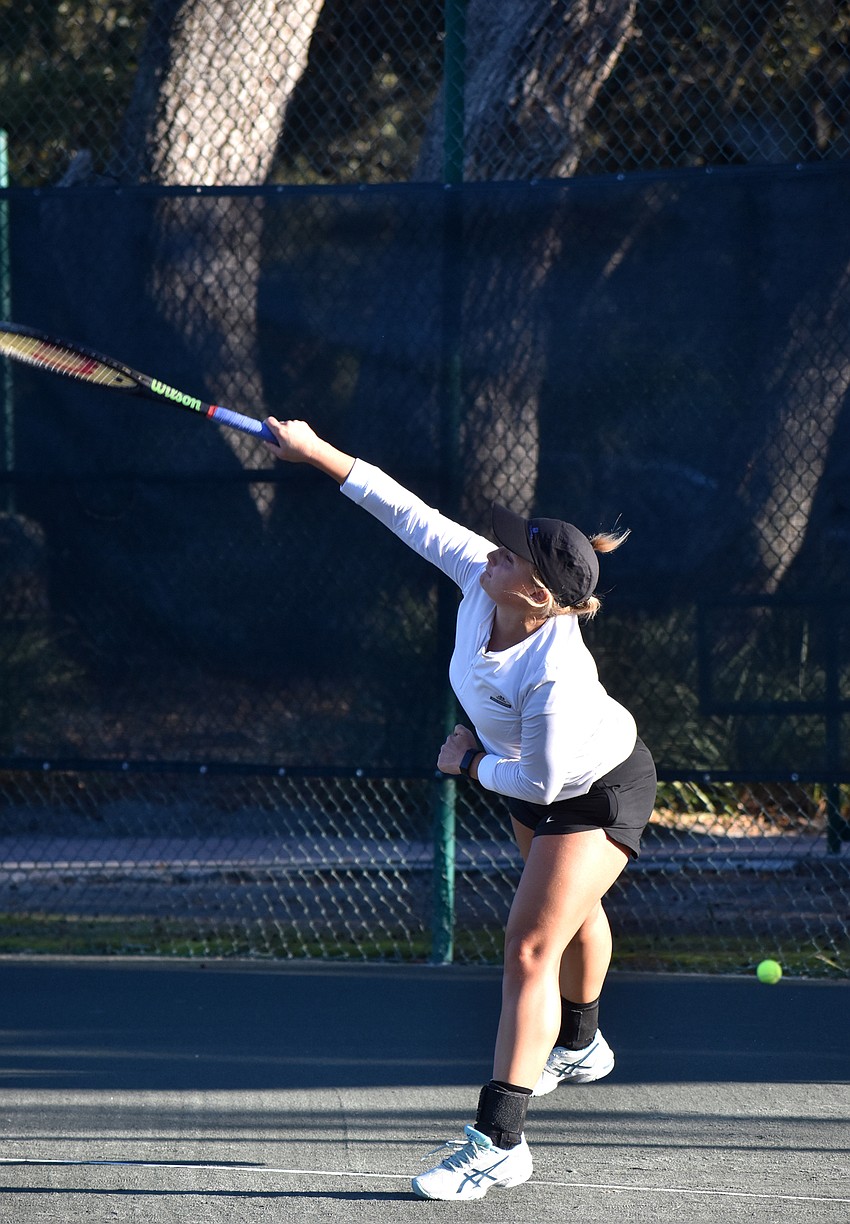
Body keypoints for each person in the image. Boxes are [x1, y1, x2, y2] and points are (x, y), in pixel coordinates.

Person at [264, 418, 657, 1203]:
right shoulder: (486, 580)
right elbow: (405, 511)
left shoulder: (557, 671)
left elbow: (545, 787)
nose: (492, 547)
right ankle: (580, 1043)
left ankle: (500, 1141)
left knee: (527, 950)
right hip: (531, 777)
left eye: (511, 551)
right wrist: (314, 453)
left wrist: (471, 762)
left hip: (594, 785)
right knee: (568, 919)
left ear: (540, 596)